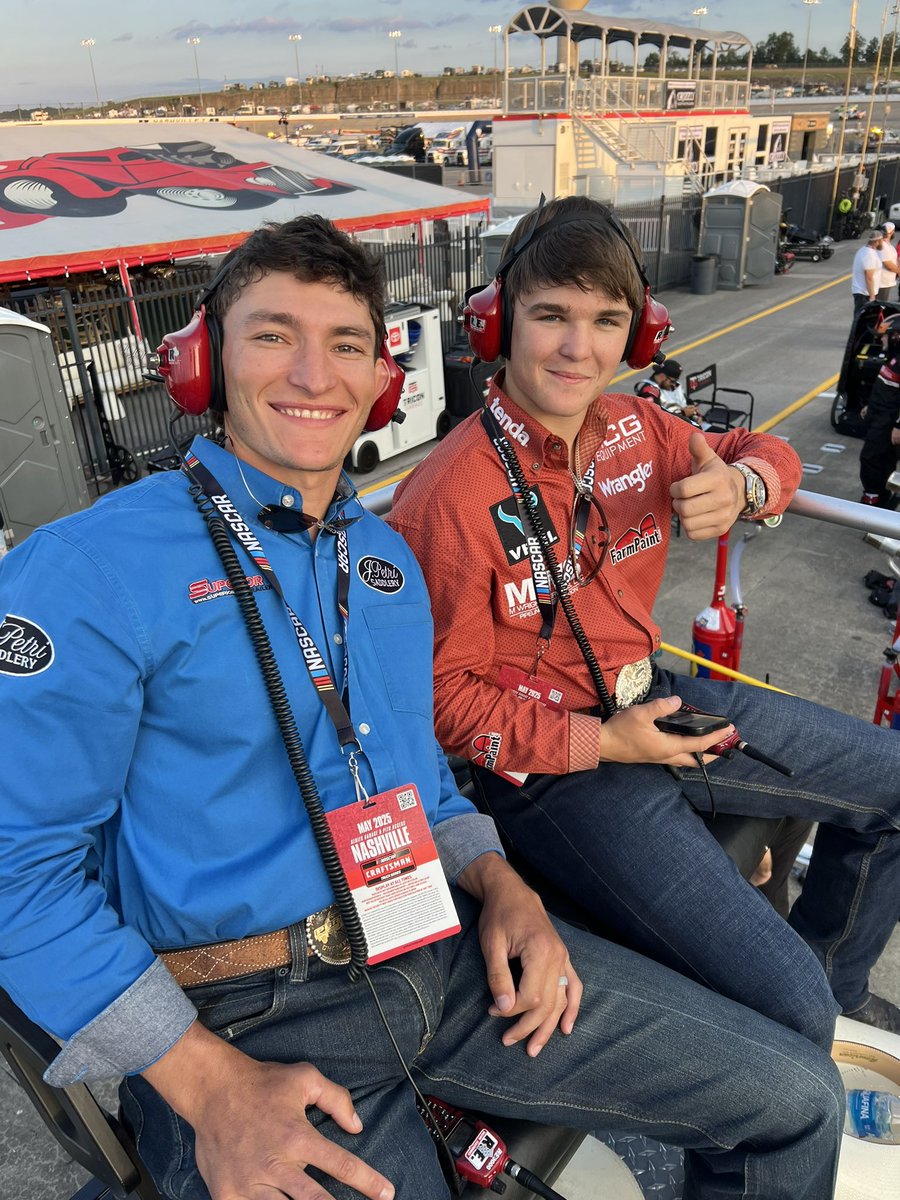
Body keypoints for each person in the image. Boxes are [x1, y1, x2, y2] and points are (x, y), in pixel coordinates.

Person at [0, 214, 846, 1200]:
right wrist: (209, 1087)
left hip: (433, 956)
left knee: (796, 1100)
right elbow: (18, 875)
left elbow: (421, 780)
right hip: (247, 1021)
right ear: (203, 367)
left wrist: (502, 886)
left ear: (382, 384)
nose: (314, 374)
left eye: (346, 344)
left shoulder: (385, 566)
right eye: (274, 334)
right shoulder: (89, 570)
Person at [389, 195, 900, 1043]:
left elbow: (756, 452)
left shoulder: (638, 426)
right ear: (498, 323)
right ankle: (807, 1026)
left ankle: (835, 988)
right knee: (790, 1008)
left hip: (656, 699)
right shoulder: (444, 498)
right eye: (551, 315)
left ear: (639, 333)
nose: (577, 347)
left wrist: (746, 487)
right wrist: (605, 744)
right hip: (553, 773)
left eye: (605, 320)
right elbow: (442, 706)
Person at [860, 310, 900, 507]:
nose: (881, 339)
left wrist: (899, 426)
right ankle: (881, 495)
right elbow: (886, 388)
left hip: (888, 421)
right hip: (878, 415)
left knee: (871, 458)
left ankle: (873, 497)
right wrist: (870, 406)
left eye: (884, 335)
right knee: (879, 458)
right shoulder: (893, 357)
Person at [634, 357, 703, 426]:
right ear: (662, 376)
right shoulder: (649, 392)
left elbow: (686, 400)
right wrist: (683, 413)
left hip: (684, 422)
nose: (674, 384)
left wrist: (695, 414)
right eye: (672, 381)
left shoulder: (672, 385)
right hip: (670, 429)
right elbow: (654, 417)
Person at [851, 227, 885, 314]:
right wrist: (872, 296)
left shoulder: (864, 250)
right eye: (881, 240)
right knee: (863, 320)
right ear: (876, 241)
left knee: (862, 319)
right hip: (865, 294)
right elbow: (869, 277)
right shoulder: (869, 255)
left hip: (863, 292)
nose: (883, 243)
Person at [878, 220, 899, 303]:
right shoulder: (883, 245)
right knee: (879, 306)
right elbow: (888, 264)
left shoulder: (888, 245)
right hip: (882, 282)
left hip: (886, 282)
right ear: (891, 232)